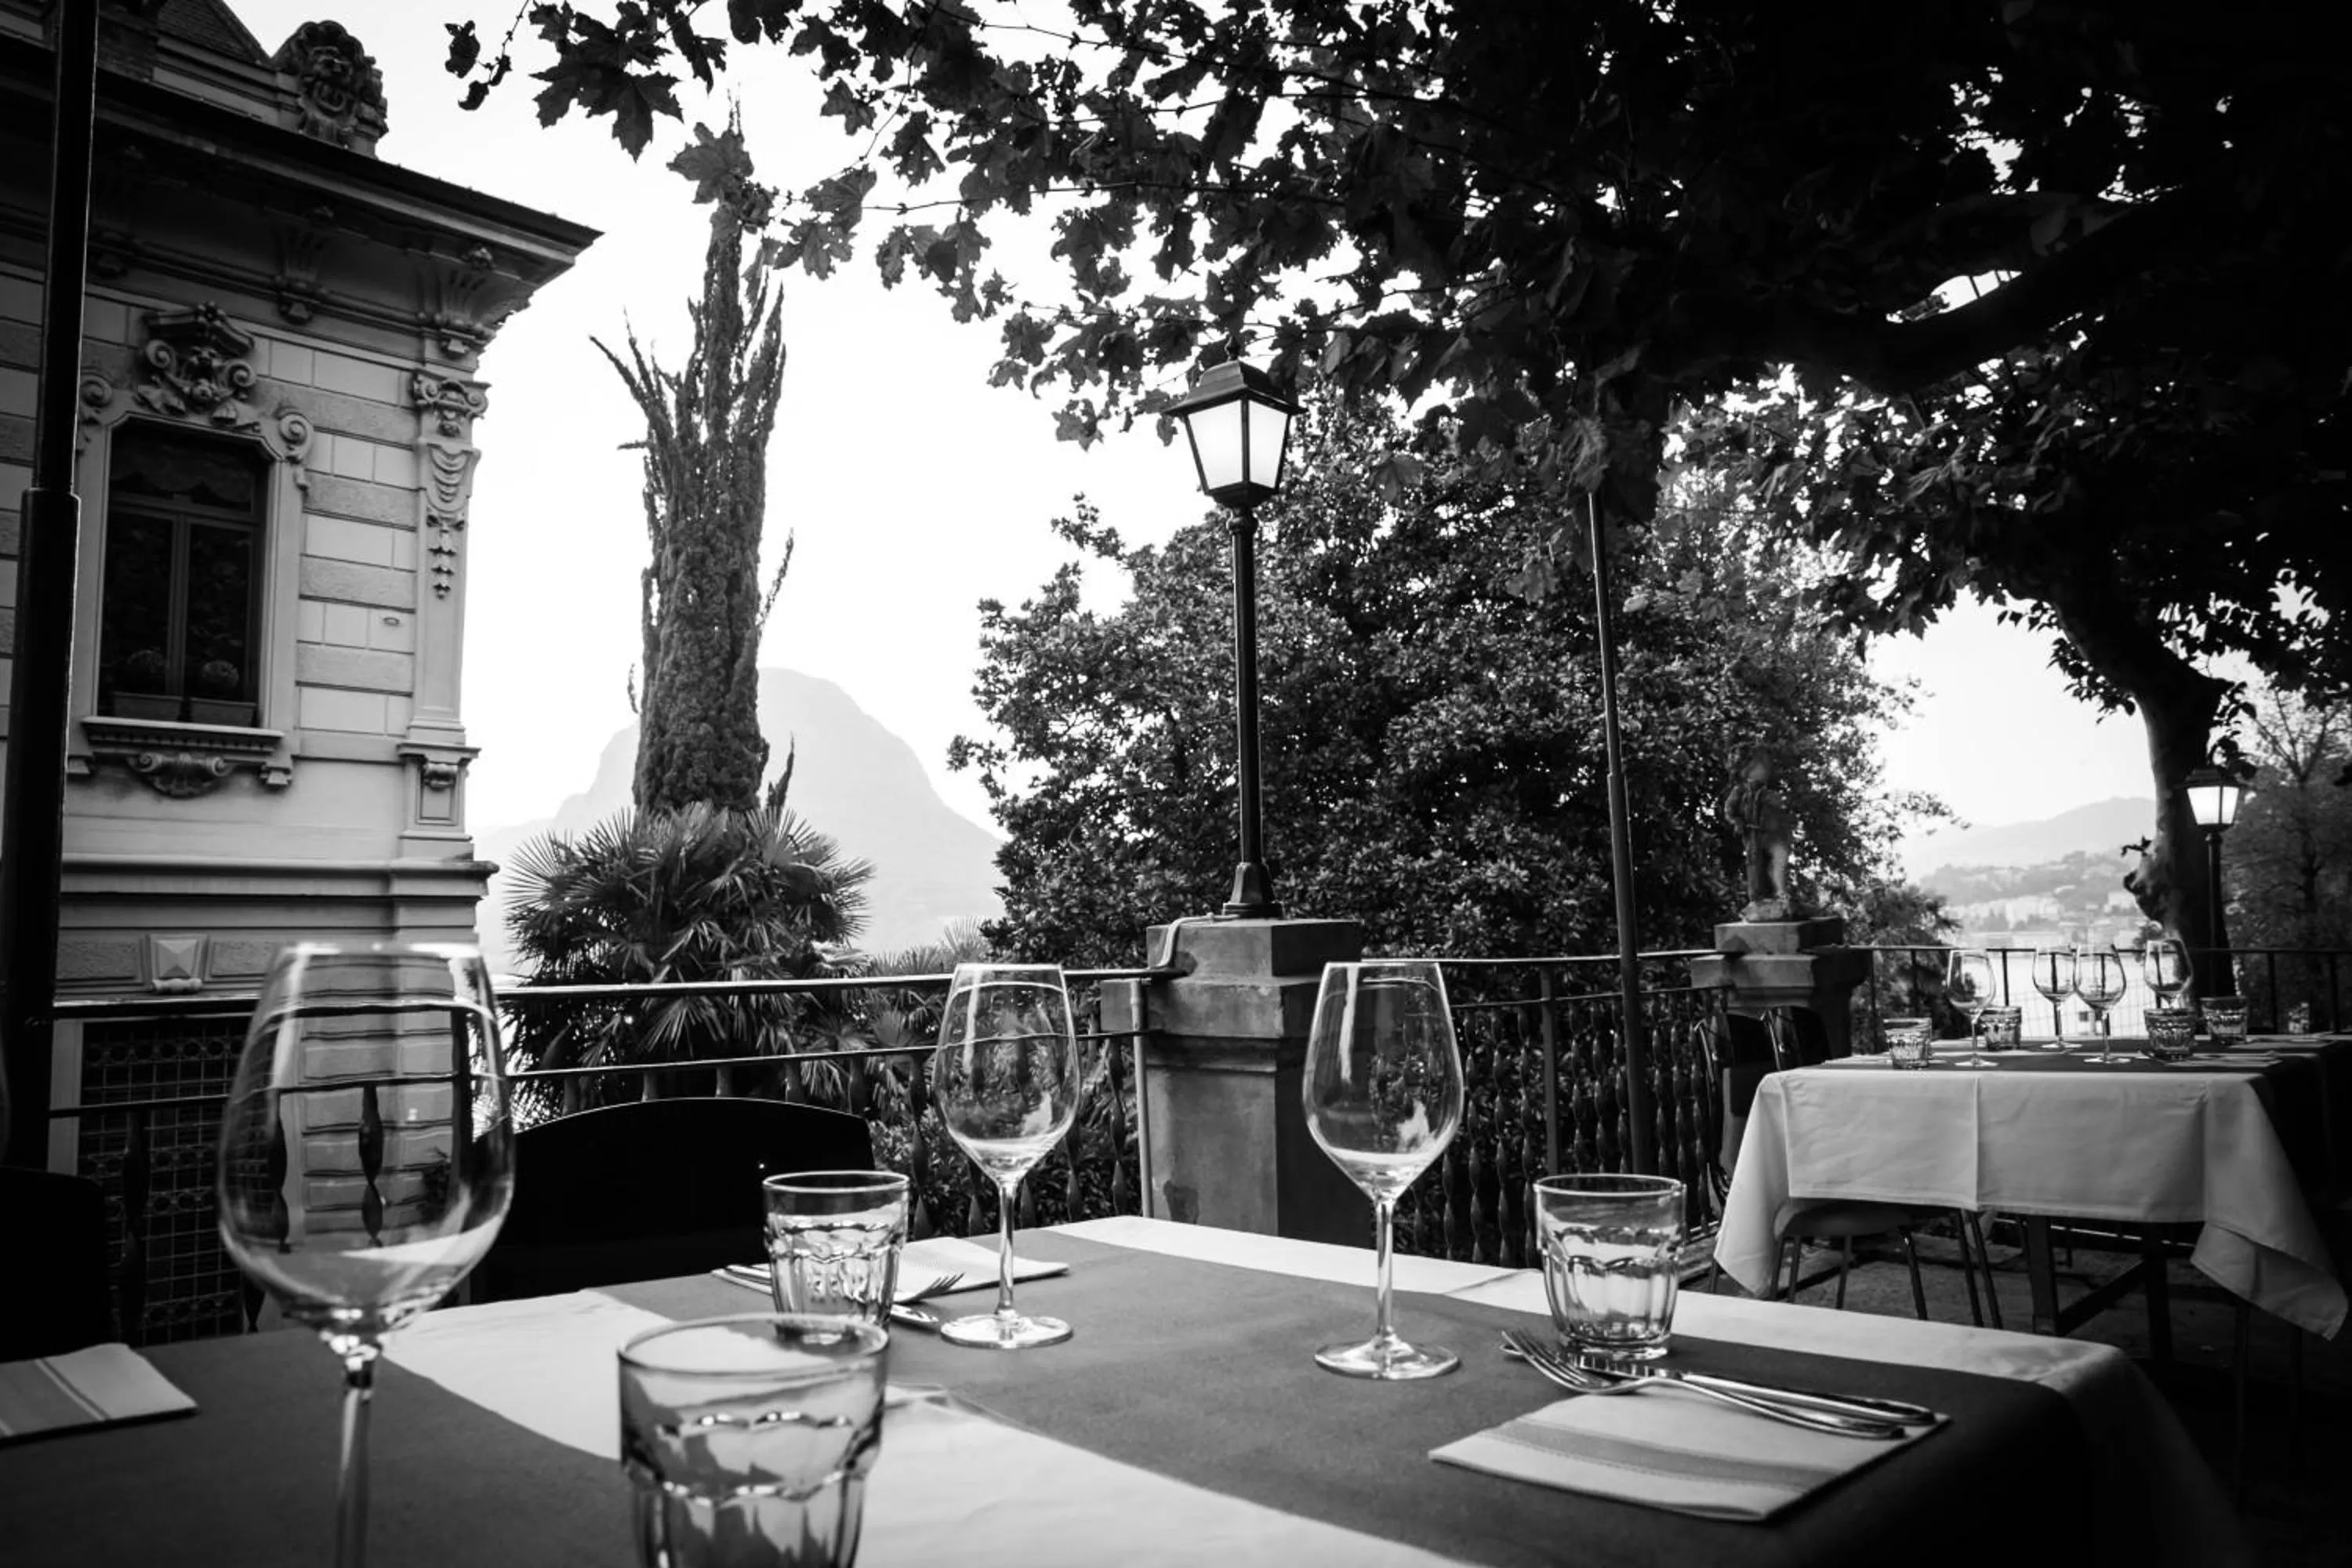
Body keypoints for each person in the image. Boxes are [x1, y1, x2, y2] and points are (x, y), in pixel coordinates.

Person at [1721, 743, 1798, 921]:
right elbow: (1729, 810)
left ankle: (1777, 897)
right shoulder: (1741, 791)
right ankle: (1757, 899)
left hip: (1770, 836)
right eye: (1758, 767)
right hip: (1753, 835)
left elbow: (1782, 815)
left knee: (1774, 863)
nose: (1763, 771)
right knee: (1755, 865)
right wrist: (1738, 823)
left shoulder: (1768, 793)